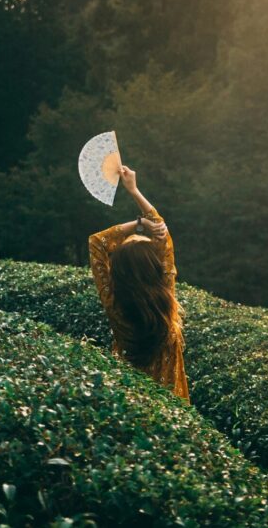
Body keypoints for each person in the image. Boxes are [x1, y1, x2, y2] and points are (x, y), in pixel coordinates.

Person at [88, 164, 190, 405]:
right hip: (172, 408)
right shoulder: (166, 297)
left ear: (119, 273)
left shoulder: (114, 303)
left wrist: (136, 224)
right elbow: (164, 237)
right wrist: (134, 190)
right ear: (153, 269)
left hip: (131, 402)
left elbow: (97, 242)